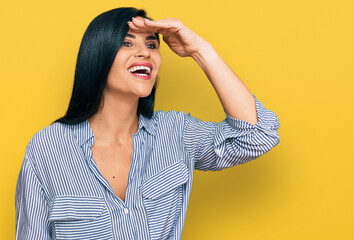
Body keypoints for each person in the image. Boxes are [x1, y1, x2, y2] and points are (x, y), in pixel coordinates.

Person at [15, 7, 280, 240]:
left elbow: (257, 135)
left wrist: (200, 50)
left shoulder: (176, 133)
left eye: (152, 45)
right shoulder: (46, 148)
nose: (144, 52)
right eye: (127, 43)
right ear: (98, 55)